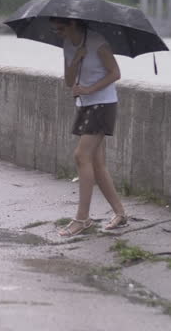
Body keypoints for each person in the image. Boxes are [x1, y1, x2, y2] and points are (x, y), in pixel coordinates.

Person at [49, 17, 129, 237]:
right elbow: (68, 81)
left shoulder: (97, 42)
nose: (58, 32)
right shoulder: (67, 44)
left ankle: (82, 219)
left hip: (103, 104)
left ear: (73, 24)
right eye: (55, 29)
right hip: (85, 105)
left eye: (61, 27)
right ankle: (120, 214)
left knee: (81, 156)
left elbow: (115, 73)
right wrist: (76, 59)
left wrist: (90, 89)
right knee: (96, 162)